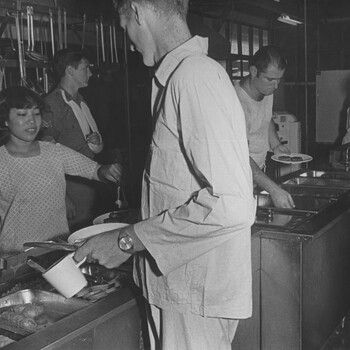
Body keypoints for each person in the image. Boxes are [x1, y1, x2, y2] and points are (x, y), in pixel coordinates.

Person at [74, 1, 256, 349]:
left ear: (140, 12)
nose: (128, 40)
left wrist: (127, 240)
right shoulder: (179, 77)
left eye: (125, 24)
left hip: (193, 292)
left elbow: (231, 205)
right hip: (179, 287)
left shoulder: (195, 77)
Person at [0, 86, 121, 258]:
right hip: (14, 255)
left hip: (57, 251)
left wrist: (106, 171)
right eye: (22, 114)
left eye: (36, 113)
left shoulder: (54, 151)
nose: (32, 121)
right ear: (5, 120)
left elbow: (94, 170)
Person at [41, 49, 104, 231]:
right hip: (69, 185)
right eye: (86, 68)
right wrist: (62, 196)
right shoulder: (53, 103)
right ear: (70, 70)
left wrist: (95, 140)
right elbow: (46, 152)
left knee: (86, 230)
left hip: (87, 180)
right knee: (73, 235)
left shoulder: (80, 101)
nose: (90, 73)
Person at [235, 46, 294, 208]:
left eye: (279, 80)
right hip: (239, 175)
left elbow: (266, 119)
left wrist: (276, 145)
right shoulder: (238, 104)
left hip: (257, 172)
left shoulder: (266, 90)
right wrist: (273, 189)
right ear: (253, 71)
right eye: (270, 79)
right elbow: (241, 157)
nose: (275, 86)